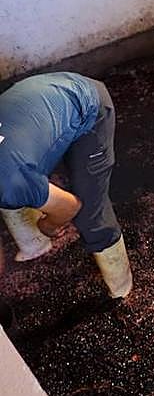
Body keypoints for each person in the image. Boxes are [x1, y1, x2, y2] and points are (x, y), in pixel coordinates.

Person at [0, 72, 132, 298]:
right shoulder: (10, 183)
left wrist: (49, 226)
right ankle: (35, 246)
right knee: (17, 190)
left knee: (90, 211)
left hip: (89, 104)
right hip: (38, 96)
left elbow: (70, 207)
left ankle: (121, 285)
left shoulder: (10, 183)